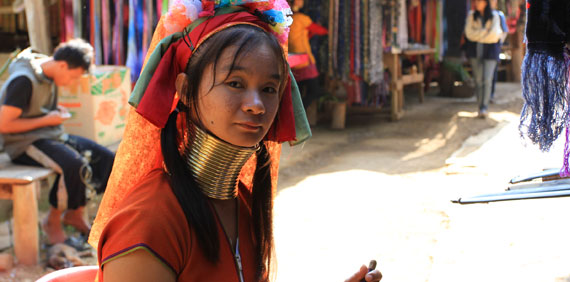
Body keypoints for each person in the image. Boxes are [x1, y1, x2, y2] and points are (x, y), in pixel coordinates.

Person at [88, 1, 381, 282]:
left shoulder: (242, 202)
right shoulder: (150, 224)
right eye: (235, 83)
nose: (257, 105)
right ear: (186, 90)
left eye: (269, 88)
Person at [0, 39, 115, 244]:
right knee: (74, 164)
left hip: (49, 134)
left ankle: (76, 212)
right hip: (22, 143)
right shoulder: (24, 80)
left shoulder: (47, 72)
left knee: (106, 159)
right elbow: (4, 125)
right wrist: (47, 119)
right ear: (62, 65)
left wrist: (54, 115)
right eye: (73, 77)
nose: (72, 83)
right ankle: (53, 220)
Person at [464, 0, 503, 118]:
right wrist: (485, 33)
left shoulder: (495, 15)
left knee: (487, 79)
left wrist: (478, 35)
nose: (476, 3)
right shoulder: (471, 15)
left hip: (491, 51)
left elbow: (495, 35)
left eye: (479, 1)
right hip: (475, 51)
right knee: (478, 79)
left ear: (485, 2)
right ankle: (480, 106)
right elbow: (468, 34)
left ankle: (484, 107)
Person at [288, 0, 328, 109]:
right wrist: (329, 31)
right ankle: (299, 113)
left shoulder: (286, 20)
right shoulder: (301, 18)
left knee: (298, 92)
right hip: (305, 60)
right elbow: (320, 30)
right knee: (314, 90)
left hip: (294, 61)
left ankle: (296, 115)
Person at [489, 0, 508, 104]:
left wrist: (499, 42)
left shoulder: (499, 15)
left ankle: (490, 95)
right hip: (483, 47)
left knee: (493, 72)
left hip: (494, 47)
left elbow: (505, 31)